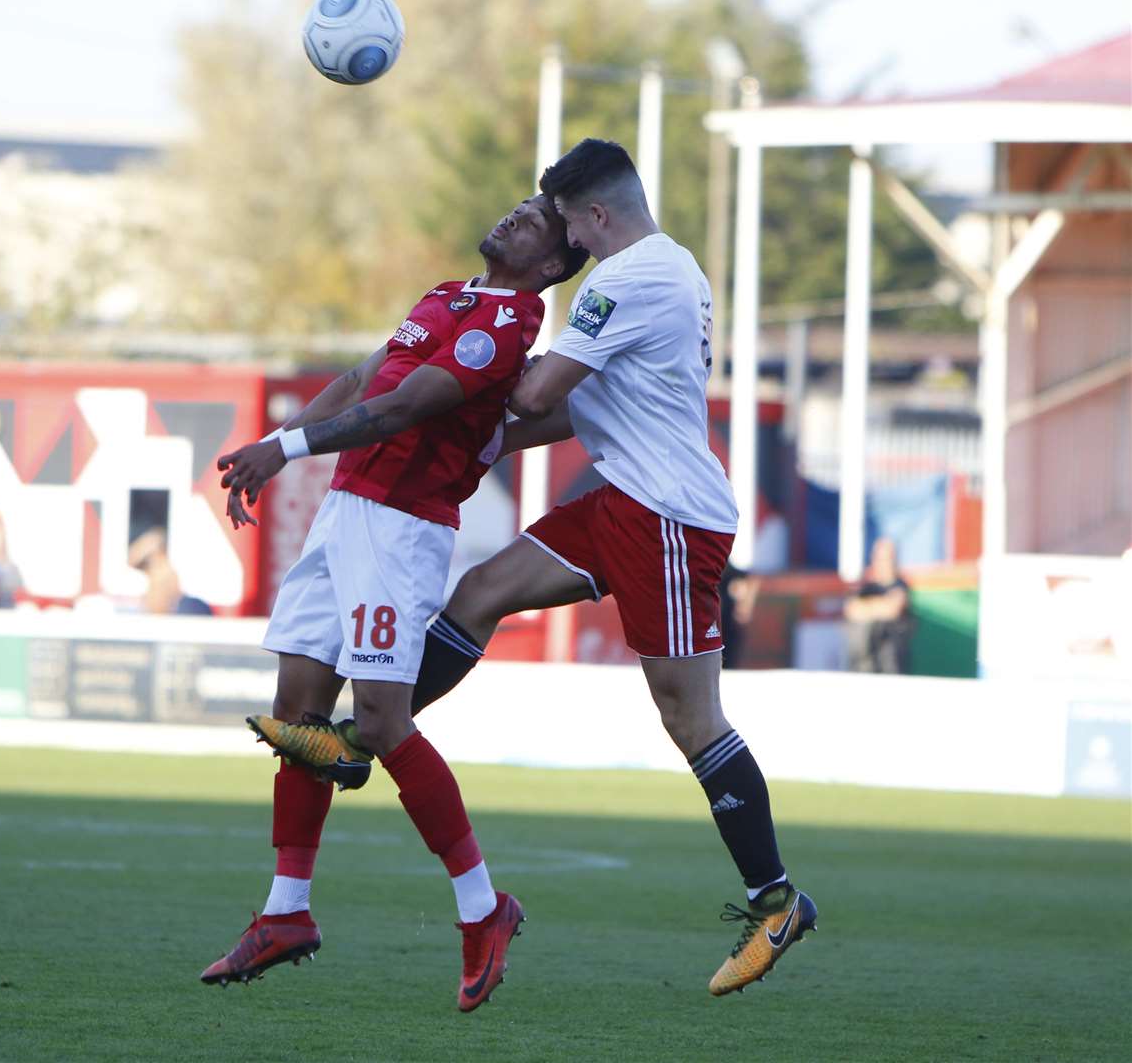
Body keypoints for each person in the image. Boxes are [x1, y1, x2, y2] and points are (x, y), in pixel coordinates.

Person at [253, 140, 817, 997]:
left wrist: (459, 384)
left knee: (689, 718)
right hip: (623, 498)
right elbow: (563, 407)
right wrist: (467, 409)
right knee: (480, 594)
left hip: (665, 514)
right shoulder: (672, 269)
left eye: (566, 226)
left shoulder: (627, 281)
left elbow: (532, 398)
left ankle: (774, 900)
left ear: (594, 216)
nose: (568, 245)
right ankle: (362, 739)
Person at [199, 194, 588, 1011]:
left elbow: (410, 407)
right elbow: (361, 379)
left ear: (552, 266)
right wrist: (279, 453)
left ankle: (485, 910)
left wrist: (285, 444)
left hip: (401, 531)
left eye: (534, 223)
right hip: (345, 512)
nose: (515, 216)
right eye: (519, 206)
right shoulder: (448, 294)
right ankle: (284, 912)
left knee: (378, 723)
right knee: (298, 716)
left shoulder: (514, 321)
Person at [844, 537, 912, 674]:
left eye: (887, 559)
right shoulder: (867, 587)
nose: (883, 563)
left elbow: (893, 609)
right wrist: (879, 605)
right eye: (879, 558)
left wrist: (868, 607)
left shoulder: (900, 585)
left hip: (891, 665)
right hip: (864, 664)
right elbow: (852, 610)